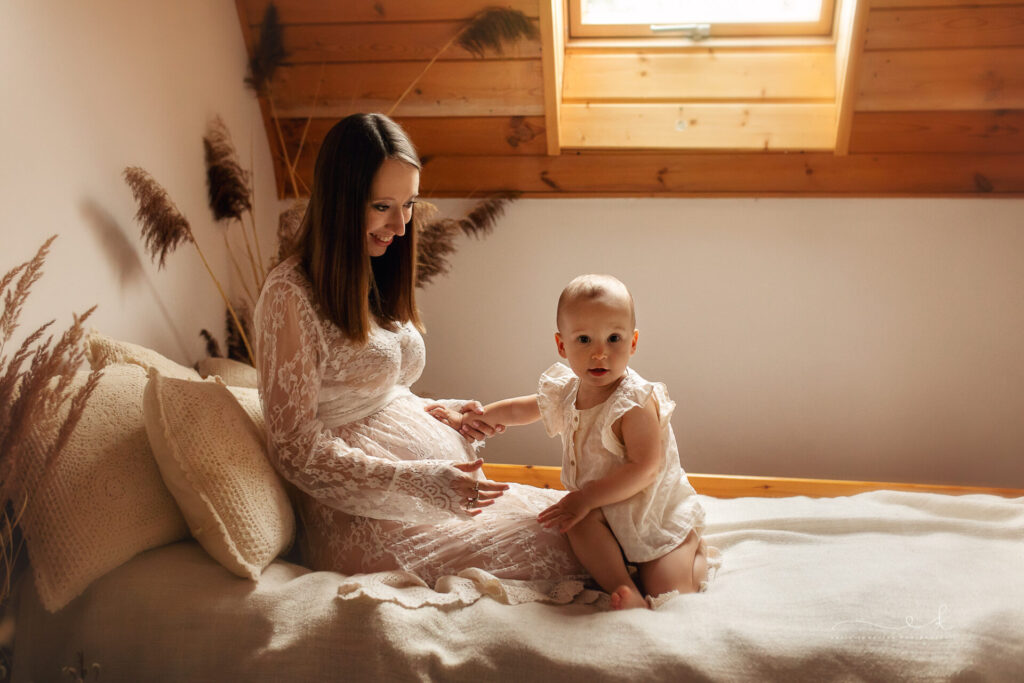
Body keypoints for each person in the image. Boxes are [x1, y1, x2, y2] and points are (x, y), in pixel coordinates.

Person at [253, 113, 583, 588]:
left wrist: (438, 413)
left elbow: (374, 389)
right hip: (360, 520)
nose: (400, 226)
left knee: (585, 521)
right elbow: (294, 448)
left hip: (425, 499)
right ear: (339, 203)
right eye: (382, 206)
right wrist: (421, 482)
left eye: (408, 204)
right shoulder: (290, 294)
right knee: (570, 544)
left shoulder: (370, 269)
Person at [441, 274, 713, 609]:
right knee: (574, 521)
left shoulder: (635, 402)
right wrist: (477, 418)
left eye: (614, 338)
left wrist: (585, 497)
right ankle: (623, 586)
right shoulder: (566, 389)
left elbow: (644, 468)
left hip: (650, 513)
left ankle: (692, 551)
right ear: (561, 345)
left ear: (633, 342)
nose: (600, 353)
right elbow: (521, 409)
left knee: (670, 593)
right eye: (584, 339)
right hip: (600, 507)